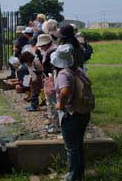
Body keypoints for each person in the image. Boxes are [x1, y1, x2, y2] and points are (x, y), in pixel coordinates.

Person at [50, 44, 90, 181]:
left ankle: (72, 176)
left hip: (71, 114)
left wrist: (60, 104)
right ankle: (79, 173)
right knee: (78, 145)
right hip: (82, 112)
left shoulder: (63, 74)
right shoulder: (77, 70)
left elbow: (65, 90)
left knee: (71, 147)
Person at [36, 34, 58, 133]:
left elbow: (51, 68)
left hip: (52, 80)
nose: (40, 47)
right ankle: (54, 123)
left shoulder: (52, 52)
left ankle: (55, 125)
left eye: (41, 45)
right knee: (52, 103)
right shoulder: (51, 49)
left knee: (53, 103)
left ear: (46, 44)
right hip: (52, 78)